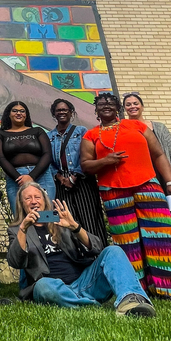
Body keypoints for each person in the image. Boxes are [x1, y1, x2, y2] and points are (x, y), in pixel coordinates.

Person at [80, 92, 171, 300]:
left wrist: (170, 183)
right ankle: (135, 288)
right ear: (95, 110)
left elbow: (158, 154)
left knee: (161, 236)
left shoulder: (137, 127)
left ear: (117, 108)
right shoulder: (90, 135)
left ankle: (170, 288)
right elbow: (86, 165)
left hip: (147, 186)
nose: (106, 106)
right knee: (127, 242)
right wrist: (106, 161)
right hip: (113, 192)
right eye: (101, 104)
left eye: (110, 103)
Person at [6, 181, 156, 316]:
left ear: (44, 201)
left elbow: (97, 247)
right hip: (52, 287)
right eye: (28, 198)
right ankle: (90, 305)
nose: (33, 201)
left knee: (113, 251)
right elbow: (15, 261)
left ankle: (132, 300)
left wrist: (75, 227)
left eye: (37, 197)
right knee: (43, 286)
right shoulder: (17, 230)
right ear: (21, 204)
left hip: (84, 282)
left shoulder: (61, 221)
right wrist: (23, 229)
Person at [47, 98, 108, 244]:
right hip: (61, 183)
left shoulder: (81, 132)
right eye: (58, 110)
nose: (62, 112)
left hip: (83, 179)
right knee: (68, 218)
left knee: (90, 217)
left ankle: (98, 252)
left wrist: (74, 177)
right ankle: (77, 257)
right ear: (54, 114)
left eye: (65, 110)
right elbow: (48, 160)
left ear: (71, 113)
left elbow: (87, 155)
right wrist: (60, 178)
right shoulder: (49, 136)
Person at [122, 92, 171, 198]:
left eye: (135, 103)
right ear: (124, 108)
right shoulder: (123, 129)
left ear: (142, 106)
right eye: (128, 105)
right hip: (140, 179)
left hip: (164, 176)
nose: (132, 106)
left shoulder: (159, 128)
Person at [0, 101, 55, 212]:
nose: (18, 113)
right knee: (20, 218)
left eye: (22, 111)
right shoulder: (1, 134)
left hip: (42, 175)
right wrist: (19, 178)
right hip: (15, 178)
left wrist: (31, 176)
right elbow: (1, 159)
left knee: (47, 215)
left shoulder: (37, 131)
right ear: (8, 114)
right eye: (15, 111)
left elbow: (47, 154)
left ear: (26, 115)